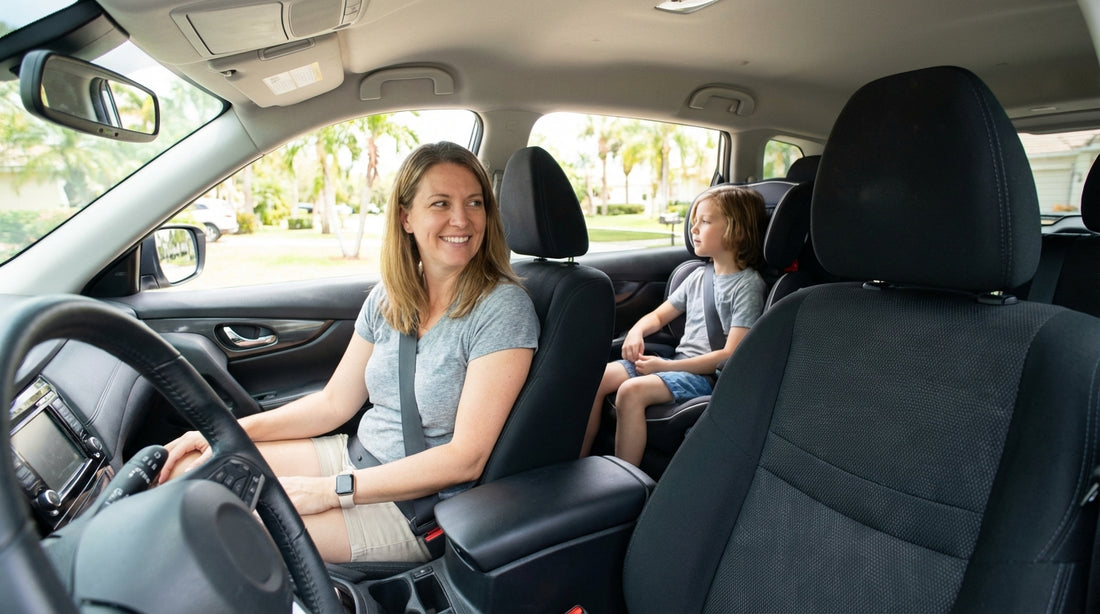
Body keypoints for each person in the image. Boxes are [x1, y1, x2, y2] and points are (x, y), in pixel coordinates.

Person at [159, 141, 539, 564]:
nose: (461, 219)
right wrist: (224, 431)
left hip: (414, 504)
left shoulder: (502, 307)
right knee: (192, 466)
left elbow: (465, 459)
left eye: (474, 202)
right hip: (354, 456)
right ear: (405, 217)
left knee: (226, 524)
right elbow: (332, 404)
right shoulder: (389, 297)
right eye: (440, 203)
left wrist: (329, 491)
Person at [580, 185, 767, 467]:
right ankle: (577, 460)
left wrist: (665, 368)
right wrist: (636, 332)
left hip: (706, 378)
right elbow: (657, 317)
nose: (694, 229)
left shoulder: (747, 286)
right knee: (597, 377)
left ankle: (623, 481)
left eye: (704, 221)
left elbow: (730, 355)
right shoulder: (696, 277)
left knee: (630, 392)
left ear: (735, 230)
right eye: (693, 222)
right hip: (676, 363)